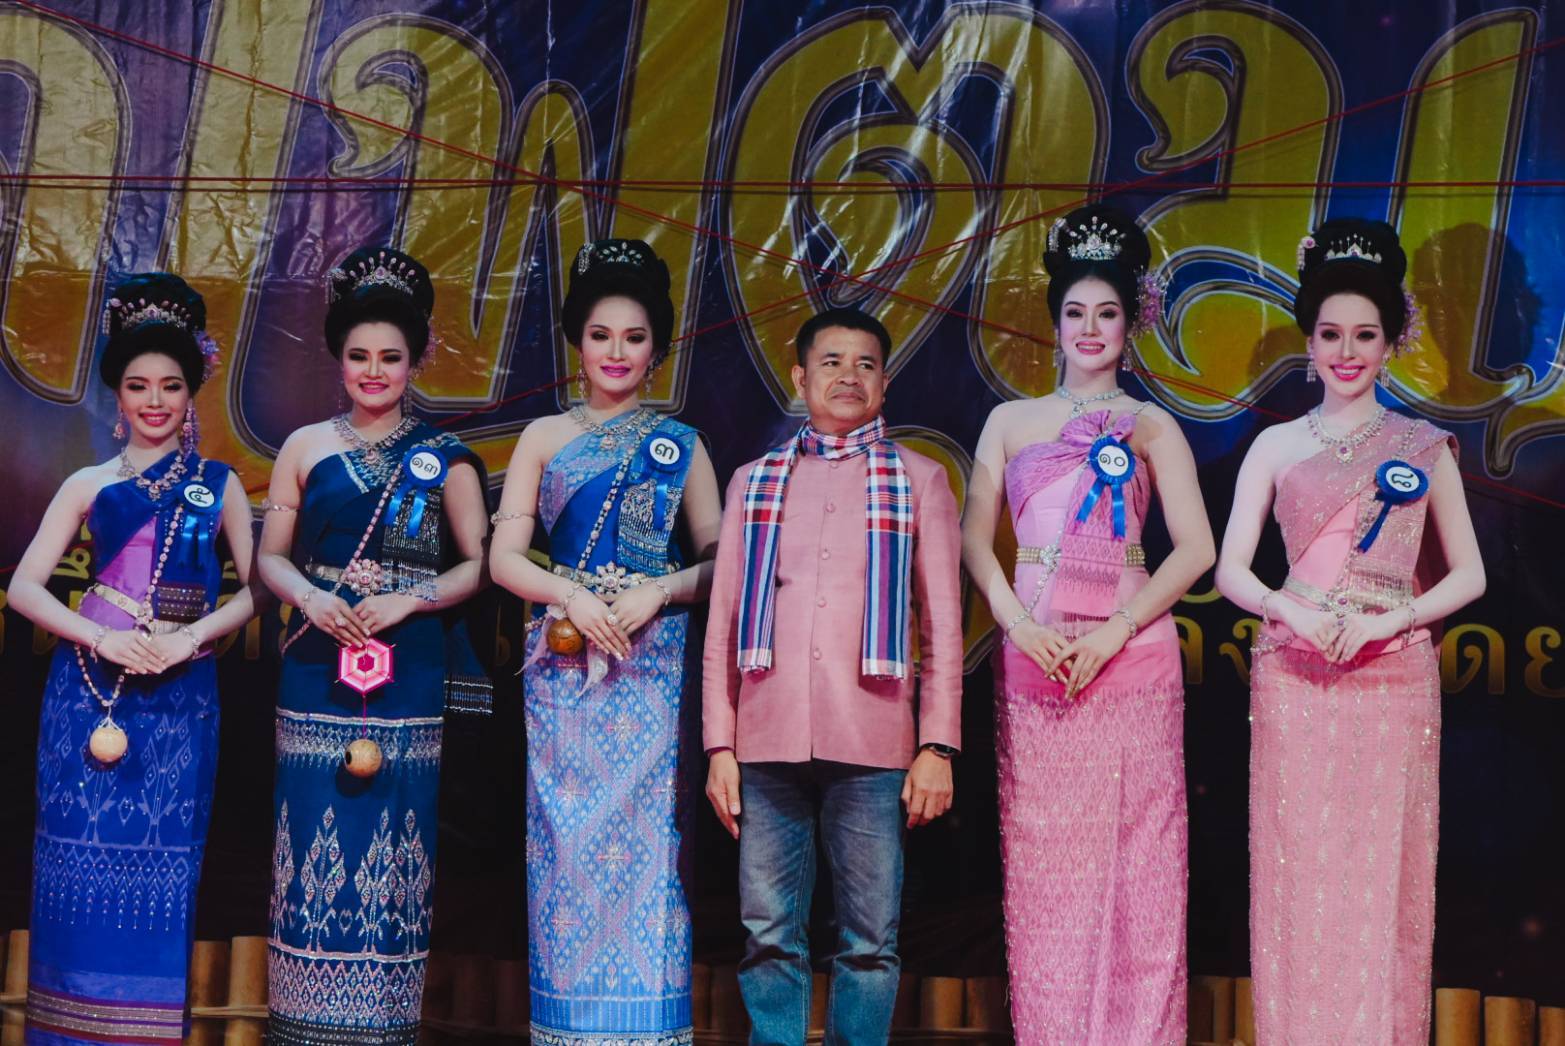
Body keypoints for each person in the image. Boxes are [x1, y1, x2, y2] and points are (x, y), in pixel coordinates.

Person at [1215, 218, 1485, 1042]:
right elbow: (1230, 571)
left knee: (1379, 878)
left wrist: (1392, 620)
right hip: (1295, 675)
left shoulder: (1421, 446)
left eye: (1364, 334)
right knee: (1299, 876)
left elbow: (1469, 575)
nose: (1346, 351)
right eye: (1331, 333)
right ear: (1309, 339)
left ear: (1391, 341)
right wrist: (1292, 611)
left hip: (1391, 678)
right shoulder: (1275, 445)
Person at [961, 204, 1213, 1043]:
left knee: (1142, 866)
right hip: (1036, 654)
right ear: (1054, 321)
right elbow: (973, 541)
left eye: (1107, 313)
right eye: (1075, 312)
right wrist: (1015, 626)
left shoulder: (1152, 425)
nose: (1090, 329)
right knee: (1047, 869)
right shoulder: (1009, 421)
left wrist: (1116, 630)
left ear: (1129, 322)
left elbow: (1196, 549)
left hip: (1130, 655)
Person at [702, 307, 962, 1046]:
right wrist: (719, 746)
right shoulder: (754, 482)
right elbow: (724, 623)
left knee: (870, 941)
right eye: (831, 362)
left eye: (865, 364)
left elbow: (944, 624)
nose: (849, 376)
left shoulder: (920, 480)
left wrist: (937, 746)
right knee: (767, 934)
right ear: (799, 376)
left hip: (873, 741)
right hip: (765, 737)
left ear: (884, 382)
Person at [7, 274, 256, 1044]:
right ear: (117, 395)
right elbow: (23, 588)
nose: (155, 401)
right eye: (139, 385)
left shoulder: (219, 487)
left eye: (171, 386)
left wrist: (189, 638)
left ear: (192, 395)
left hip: (180, 699)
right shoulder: (88, 483)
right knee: (73, 871)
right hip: (88, 694)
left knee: (163, 874)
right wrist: (101, 637)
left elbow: (260, 591)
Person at [489, 238, 720, 1046]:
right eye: (599, 335)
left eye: (633, 337)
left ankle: (646, 1029)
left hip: (651, 673)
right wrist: (571, 595)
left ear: (656, 350)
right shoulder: (543, 437)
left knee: (654, 853)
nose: (616, 352)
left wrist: (659, 589)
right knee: (564, 850)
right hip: (563, 667)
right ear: (575, 344)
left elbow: (720, 563)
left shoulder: (682, 446)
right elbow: (503, 558)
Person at [257, 247, 491, 1046]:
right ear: (339, 359)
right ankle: (301, 1025)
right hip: (315, 659)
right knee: (308, 835)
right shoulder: (303, 447)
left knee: (395, 840)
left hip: (408, 665)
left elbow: (479, 564)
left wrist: (408, 598)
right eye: (359, 356)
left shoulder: (442, 459)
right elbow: (271, 558)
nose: (374, 371)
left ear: (415, 361)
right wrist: (312, 597)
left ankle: (384, 1027)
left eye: (390, 357)